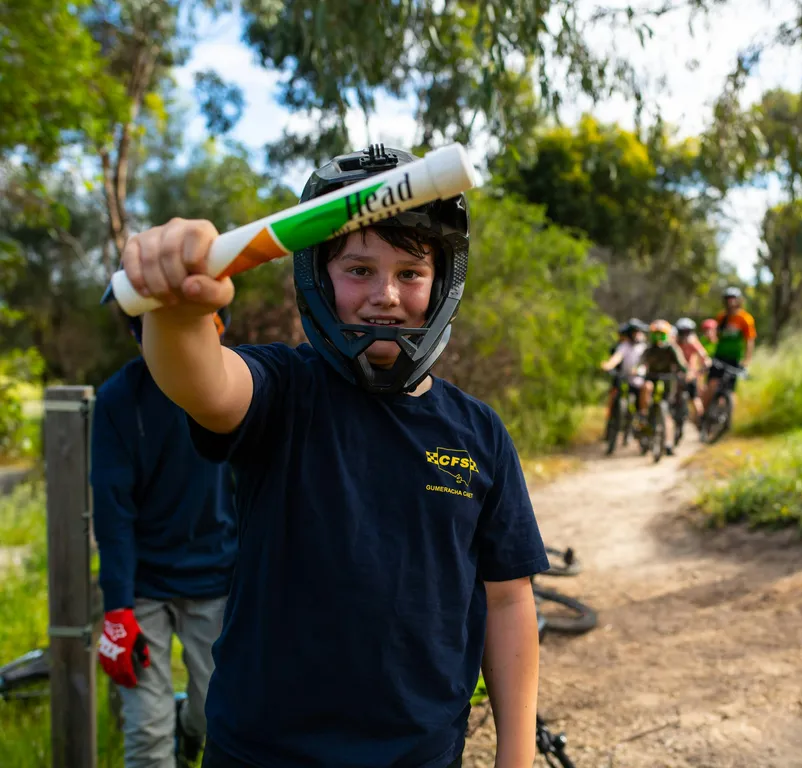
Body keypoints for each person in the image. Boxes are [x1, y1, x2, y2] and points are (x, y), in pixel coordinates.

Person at [116, 145, 549, 768]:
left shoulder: (478, 433)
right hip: (263, 753)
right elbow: (204, 384)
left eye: (409, 273)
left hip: (420, 756)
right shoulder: (283, 390)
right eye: (359, 270)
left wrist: (517, 754)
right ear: (319, 275)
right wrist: (179, 309)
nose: (386, 295)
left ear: (443, 281)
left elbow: (507, 600)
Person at [91, 308, 237, 768]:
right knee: (147, 735)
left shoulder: (237, 388)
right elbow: (113, 511)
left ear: (215, 325)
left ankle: (188, 729)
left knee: (214, 715)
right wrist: (117, 609)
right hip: (142, 586)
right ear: (137, 332)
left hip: (216, 578)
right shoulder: (118, 399)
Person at [636, 319, 688, 456]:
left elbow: (682, 364)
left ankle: (668, 444)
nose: (658, 337)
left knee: (666, 411)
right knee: (646, 387)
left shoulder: (672, 348)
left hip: (668, 380)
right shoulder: (649, 349)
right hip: (651, 378)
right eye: (656, 334)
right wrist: (637, 369)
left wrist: (684, 372)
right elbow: (641, 362)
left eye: (661, 334)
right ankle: (643, 414)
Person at [703, 287, 756, 412]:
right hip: (719, 356)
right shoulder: (722, 317)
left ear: (738, 300)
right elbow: (716, 337)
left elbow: (750, 340)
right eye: (728, 299)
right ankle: (702, 415)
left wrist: (747, 360)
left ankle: (725, 418)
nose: (730, 302)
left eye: (733, 299)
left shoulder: (745, 319)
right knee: (711, 385)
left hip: (734, 358)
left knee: (730, 390)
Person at [600, 318, 647, 430]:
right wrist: (608, 365)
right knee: (615, 395)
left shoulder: (643, 347)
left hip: (638, 381)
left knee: (646, 389)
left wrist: (639, 371)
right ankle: (611, 421)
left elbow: (646, 363)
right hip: (624, 379)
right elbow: (617, 357)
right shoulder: (624, 346)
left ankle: (642, 417)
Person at [673, 317, 711, 424]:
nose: (685, 335)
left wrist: (706, 364)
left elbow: (703, 356)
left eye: (687, 332)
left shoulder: (693, 342)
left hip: (690, 374)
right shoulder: (674, 342)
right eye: (682, 332)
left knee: (695, 399)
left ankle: (702, 422)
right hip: (676, 373)